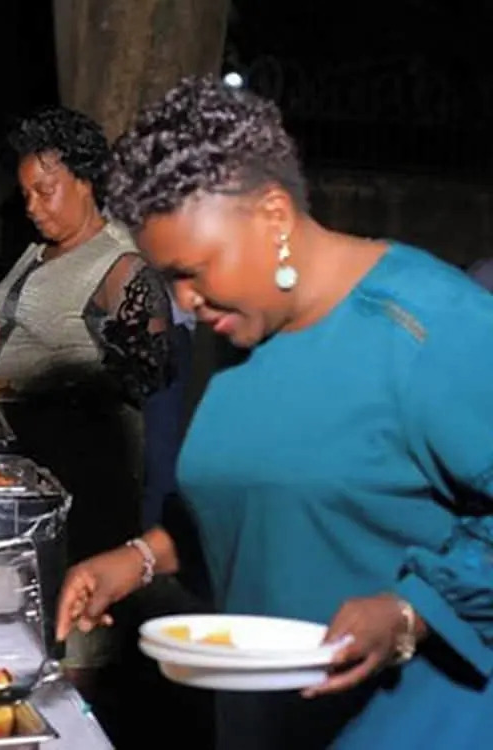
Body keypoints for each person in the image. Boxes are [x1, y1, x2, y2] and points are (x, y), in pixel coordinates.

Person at [56, 75, 493, 749]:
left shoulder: (430, 325)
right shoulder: (245, 327)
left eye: (193, 270)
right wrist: (138, 559)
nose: (185, 300)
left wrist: (413, 610)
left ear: (274, 216)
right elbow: (267, 507)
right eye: (169, 277)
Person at [0, 106, 181, 713]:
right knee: (26, 619)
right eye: (26, 193)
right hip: (26, 460)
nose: (33, 206)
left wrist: (73, 378)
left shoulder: (120, 264)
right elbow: (14, 311)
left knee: (76, 623)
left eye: (46, 190)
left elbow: (150, 371)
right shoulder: (40, 251)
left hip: (83, 469)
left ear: (86, 181)